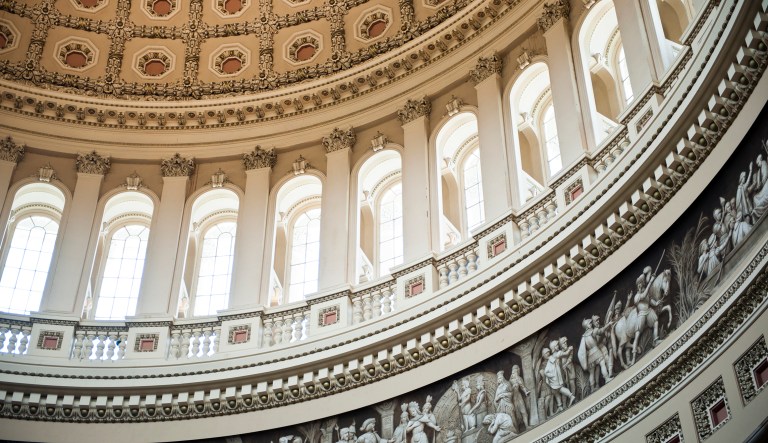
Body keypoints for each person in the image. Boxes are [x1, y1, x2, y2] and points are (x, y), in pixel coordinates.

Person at [543, 342, 576, 411]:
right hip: (554, 376)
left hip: (555, 376)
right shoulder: (555, 355)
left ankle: (571, 396)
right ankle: (560, 405)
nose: (558, 346)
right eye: (556, 345)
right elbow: (566, 354)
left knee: (559, 389)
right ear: (554, 348)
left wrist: (569, 350)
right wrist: (569, 349)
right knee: (555, 390)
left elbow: (566, 354)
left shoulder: (555, 355)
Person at [509, 365, 530, 430]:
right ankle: (518, 429)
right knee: (515, 414)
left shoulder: (519, 378)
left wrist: (526, 392)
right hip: (513, 398)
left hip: (519, 396)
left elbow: (522, 386)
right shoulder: (510, 381)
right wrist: (513, 387)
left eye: (517, 371)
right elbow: (509, 390)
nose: (516, 373)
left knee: (523, 411)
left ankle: (527, 426)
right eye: (514, 372)